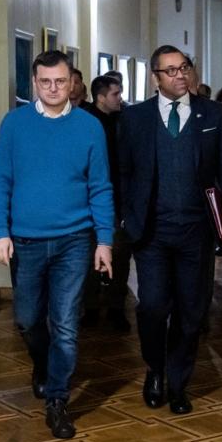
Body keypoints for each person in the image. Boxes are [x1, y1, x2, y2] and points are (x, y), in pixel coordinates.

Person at [0, 50, 114, 439]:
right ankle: (43, 365)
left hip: (74, 240)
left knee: (65, 324)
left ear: (72, 82)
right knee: (27, 319)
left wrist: (104, 241)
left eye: (61, 81)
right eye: (46, 82)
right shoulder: (15, 124)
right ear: (34, 83)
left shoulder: (90, 127)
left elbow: (101, 187)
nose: (54, 88)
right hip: (25, 240)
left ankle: (57, 400)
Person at [118, 45, 222, 414]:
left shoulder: (213, 114)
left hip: (196, 231)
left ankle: (177, 383)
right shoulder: (136, 118)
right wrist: (126, 215)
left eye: (184, 68)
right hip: (152, 232)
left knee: (191, 311)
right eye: (170, 70)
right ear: (155, 77)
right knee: (153, 307)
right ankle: (154, 369)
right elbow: (123, 170)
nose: (179, 75)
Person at [80, 75, 132, 331]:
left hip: (119, 199)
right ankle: (90, 308)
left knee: (120, 256)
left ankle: (116, 308)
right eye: (115, 94)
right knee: (89, 255)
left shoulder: (124, 121)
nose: (120, 98)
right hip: (89, 200)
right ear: (101, 97)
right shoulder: (84, 122)